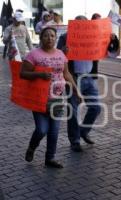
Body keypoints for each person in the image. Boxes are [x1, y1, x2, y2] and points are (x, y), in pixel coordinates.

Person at [57, 15, 119, 152]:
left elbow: (112, 52)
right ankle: (75, 141)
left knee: (96, 108)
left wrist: (113, 40)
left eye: (85, 25)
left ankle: (83, 131)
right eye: (79, 25)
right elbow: (56, 56)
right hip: (74, 78)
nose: (83, 29)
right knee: (73, 111)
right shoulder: (65, 37)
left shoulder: (94, 37)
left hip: (90, 78)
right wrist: (63, 51)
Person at [20, 27, 79, 168]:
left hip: (58, 98)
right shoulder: (33, 54)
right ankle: (32, 147)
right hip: (40, 99)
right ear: (41, 38)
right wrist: (39, 75)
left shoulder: (60, 54)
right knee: (41, 130)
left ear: (55, 38)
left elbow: (67, 74)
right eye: (46, 36)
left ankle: (50, 158)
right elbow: (22, 73)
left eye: (52, 36)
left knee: (53, 132)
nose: (50, 38)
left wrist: (77, 91)